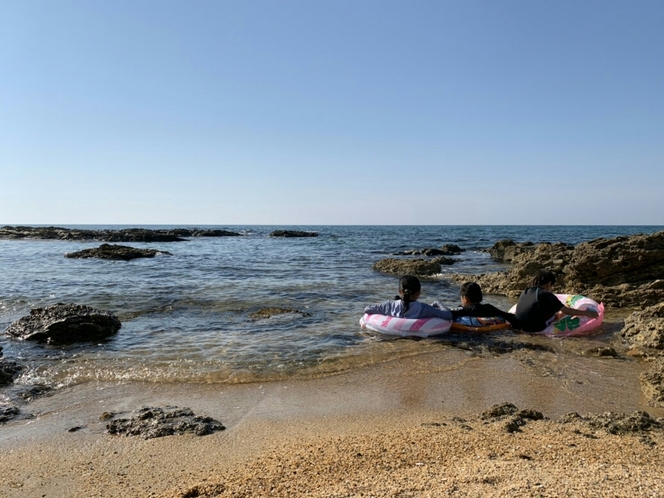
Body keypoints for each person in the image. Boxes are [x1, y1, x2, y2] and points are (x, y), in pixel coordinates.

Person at [514, 269, 599, 333]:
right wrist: (587, 313)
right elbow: (567, 311)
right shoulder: (545, 294)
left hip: (519, 325)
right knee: (559, 313)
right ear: (549, 284)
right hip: (534, 329)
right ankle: (557, 316)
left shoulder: (526, 291)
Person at [364, 275, 452, 320]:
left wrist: (380, 305)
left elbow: (367, 309)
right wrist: (437, 303)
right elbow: (448, 315)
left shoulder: (389, 305)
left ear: (400, 292)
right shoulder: (424, 309)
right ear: (419, 293)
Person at [450, 282, 519, 327]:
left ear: (465, 299)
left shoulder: (465, 310)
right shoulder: (489, 307)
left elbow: (448, 313)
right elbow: (508, 316)